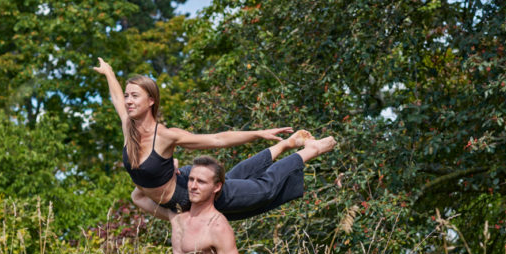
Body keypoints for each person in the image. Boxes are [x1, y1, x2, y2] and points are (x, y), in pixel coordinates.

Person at [94, 58, 336, 220]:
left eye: (135, 96)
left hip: (190, 193)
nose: (128, 101)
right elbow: (116, 98)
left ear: (151, 101)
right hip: (184, 188)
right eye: (127, 95)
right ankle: (284, 145)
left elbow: (218, 139)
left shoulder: (165, 136)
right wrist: (109, 73)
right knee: (139, 195)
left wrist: (258, 133)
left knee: (263, 190)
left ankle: (310, 150)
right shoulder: (129, 126)